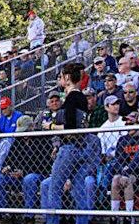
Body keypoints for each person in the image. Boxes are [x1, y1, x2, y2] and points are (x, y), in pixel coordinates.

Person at [43, 63, 100, 224]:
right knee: (78, 190)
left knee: (54, 187)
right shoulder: (81, 96)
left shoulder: (72, 97)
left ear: (67, 78)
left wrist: (51, 126)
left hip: (69, 147)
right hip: (82, 147)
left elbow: (70, 127)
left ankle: (53, 222)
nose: (59, 80)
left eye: (61, 77)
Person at [2, 116, 53, 224]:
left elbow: (43, 164)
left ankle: (28, 216)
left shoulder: (42, 139)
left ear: (32, 127)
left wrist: (23, 171)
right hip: (18, 174)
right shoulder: (19, 141)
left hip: (39, 173)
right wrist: (8, 167)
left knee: (29, 179)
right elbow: (10, 159)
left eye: (25, 130)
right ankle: (0, 215)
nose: (23, 134)